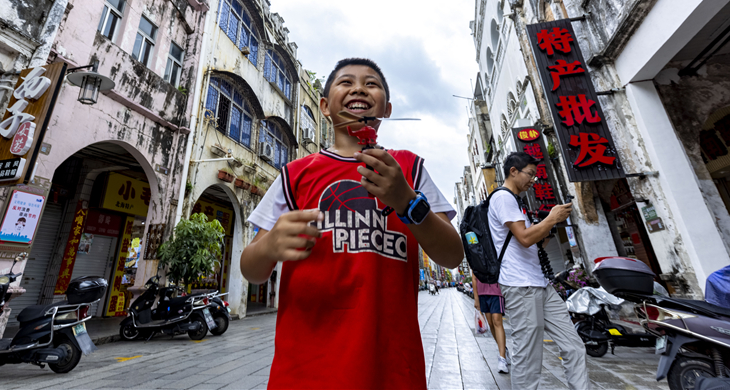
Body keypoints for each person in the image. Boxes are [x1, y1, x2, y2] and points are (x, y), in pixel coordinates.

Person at [240, 58, 462, 390]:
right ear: (325, 106)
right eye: (346, 82)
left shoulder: (409, 169)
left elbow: (452, 255)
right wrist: (270, 245)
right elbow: (251, 269)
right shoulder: (295, 175)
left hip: (391, 369)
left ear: (387, 108)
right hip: (304, 369)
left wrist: (406, 201)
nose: (359, 87)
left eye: (371, 83)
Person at [488, 151, 588, 390]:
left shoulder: (518, 202)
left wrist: (549, 227)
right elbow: (524, 238)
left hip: (540, 283)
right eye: (530, 174)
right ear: (514, 171)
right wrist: (551, 219)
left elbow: (534, 243)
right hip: (521, 286)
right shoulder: (503, 198)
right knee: (528, 356)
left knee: (574, 346)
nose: (533, 180)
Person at [472, 271, 509, 374]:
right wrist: (476, 298)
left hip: (497, 291)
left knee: (497, 320)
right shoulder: (475, 254)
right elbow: (474, 277)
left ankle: (502, 358)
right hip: (482, 293)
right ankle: (503, 349)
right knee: (491, 323)